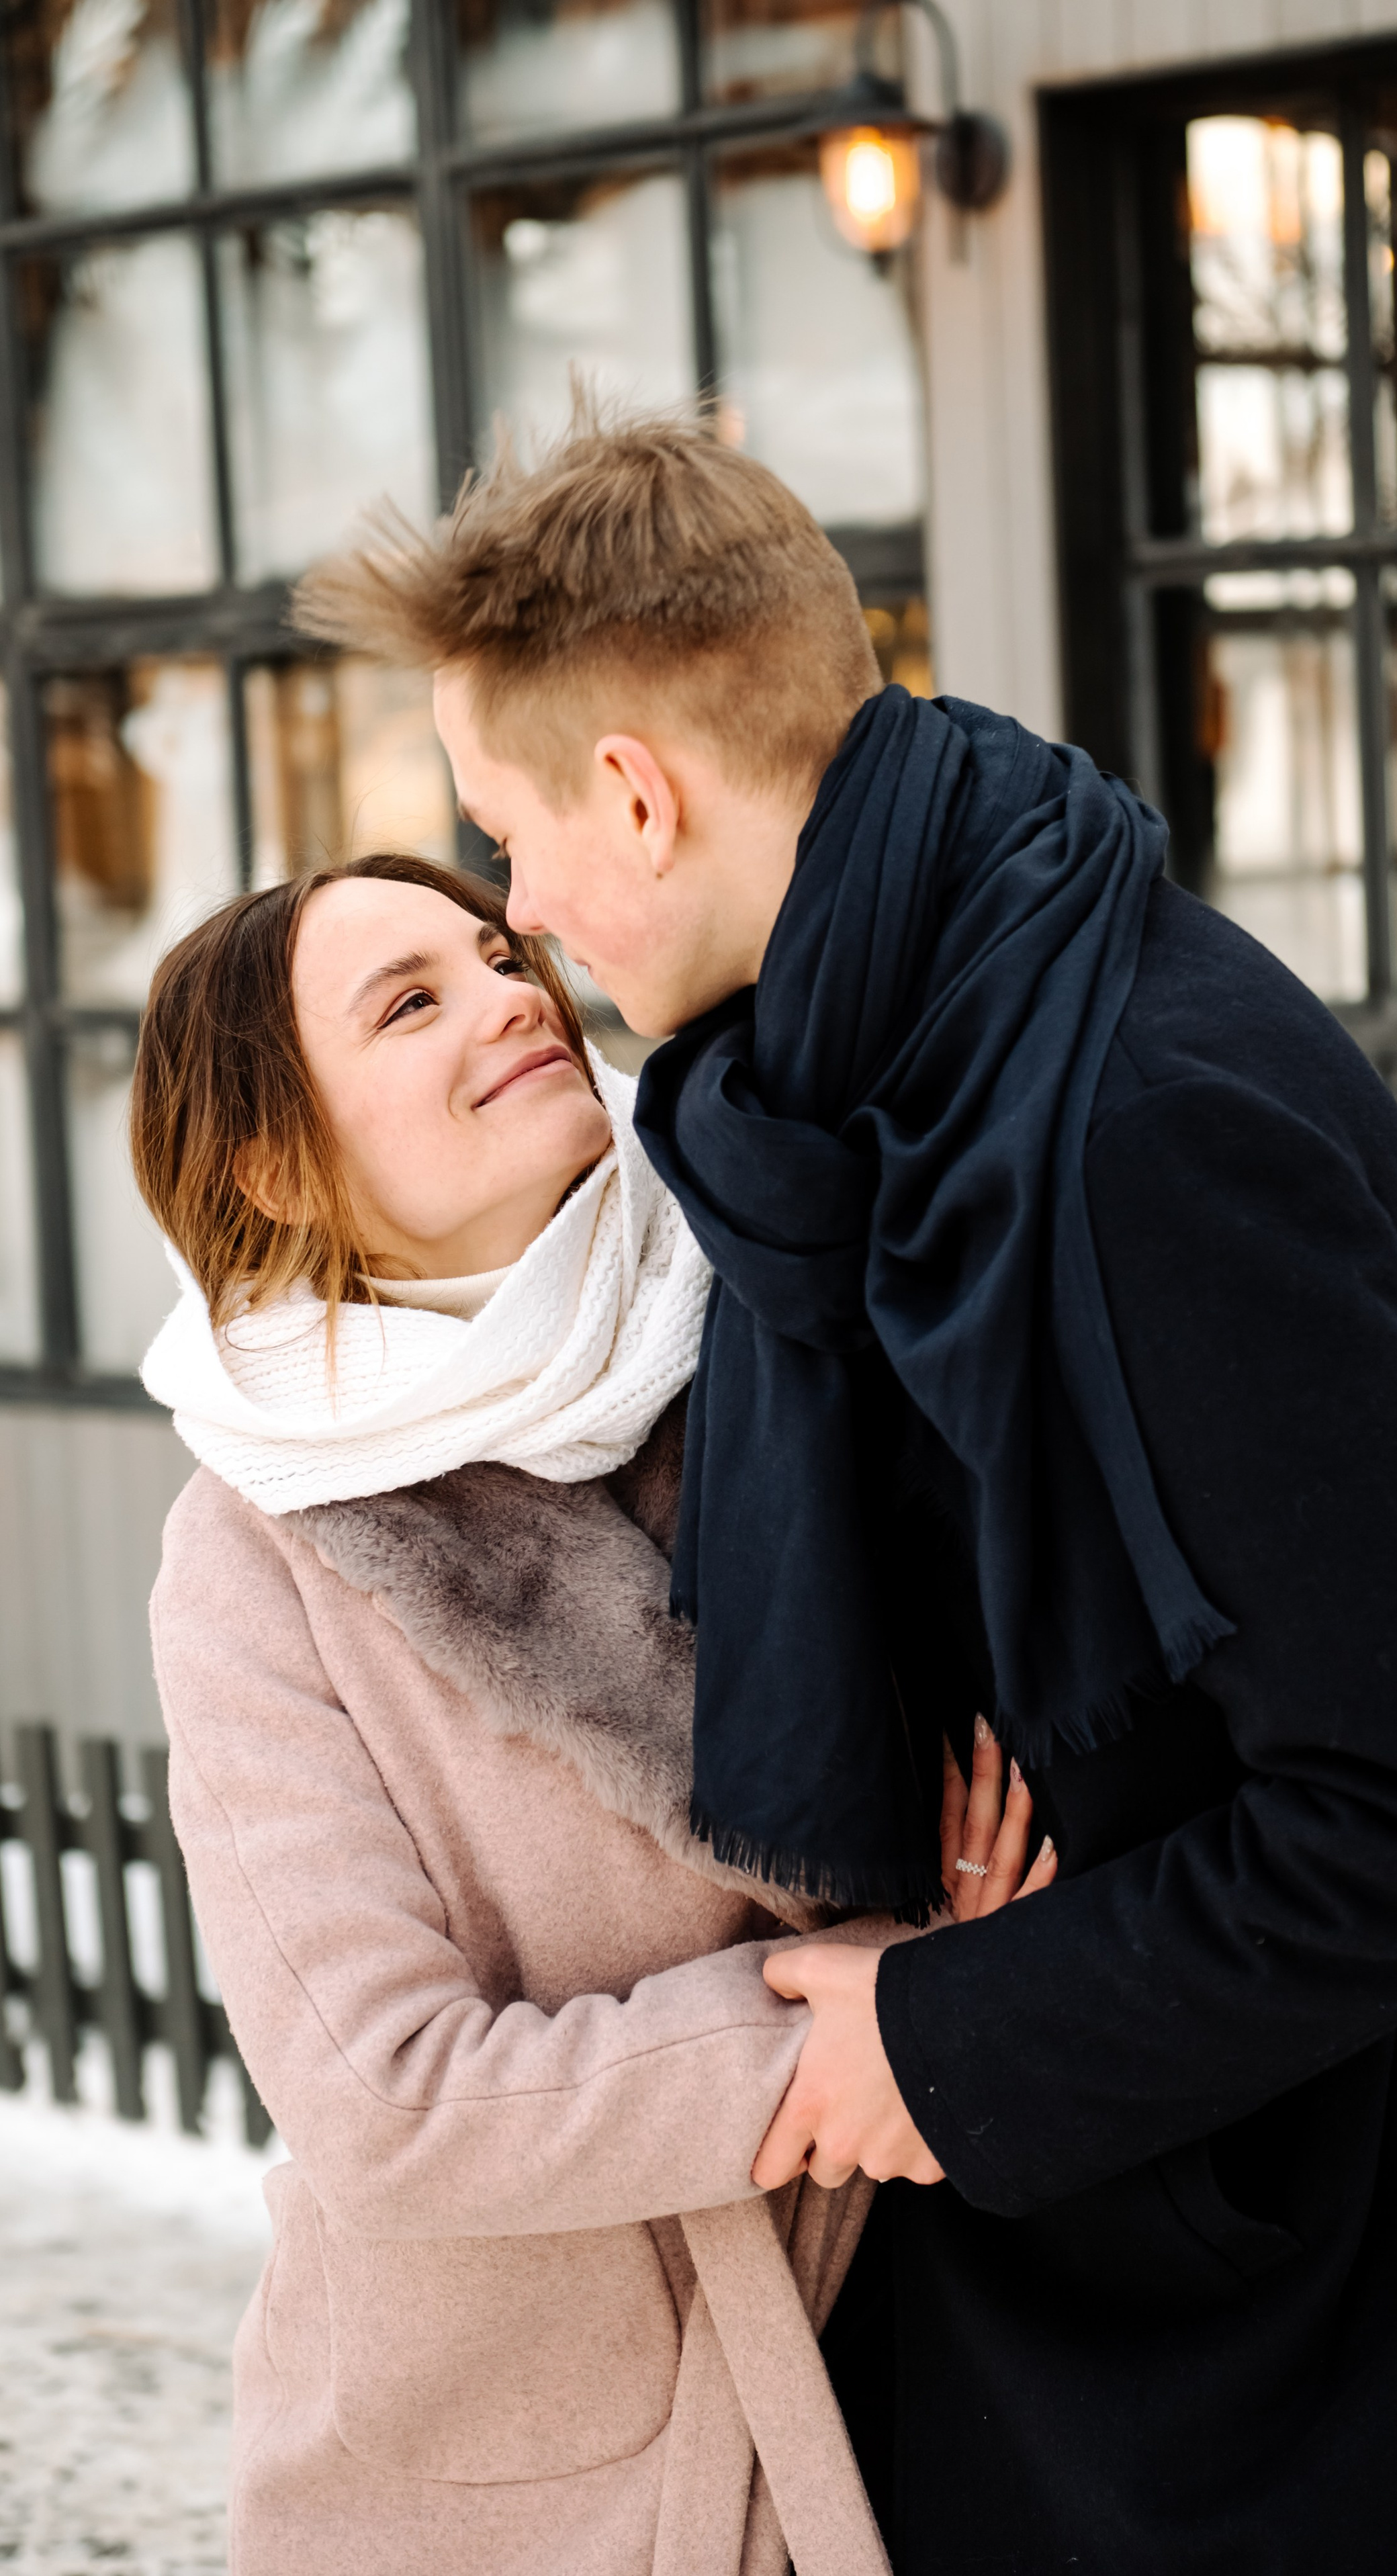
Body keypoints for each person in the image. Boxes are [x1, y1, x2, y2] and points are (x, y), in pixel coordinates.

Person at [296, 419, 1397, 2576]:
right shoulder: (862, 1081)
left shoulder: (1144, 1114)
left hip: (1342, 2362)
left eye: (511, 834)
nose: (523, 912)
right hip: (1106, 2310)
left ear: (640, 793)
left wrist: (949, 2035)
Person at [132, 850, 1050, 2576]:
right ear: (273, 1160)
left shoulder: (782, 1321)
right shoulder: (260, 1546)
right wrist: (870, 2021)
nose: (511, 995)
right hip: (506, 2475)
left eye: (496, 952)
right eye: (413, 1002)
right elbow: (388, 2094)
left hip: (923, 2367)